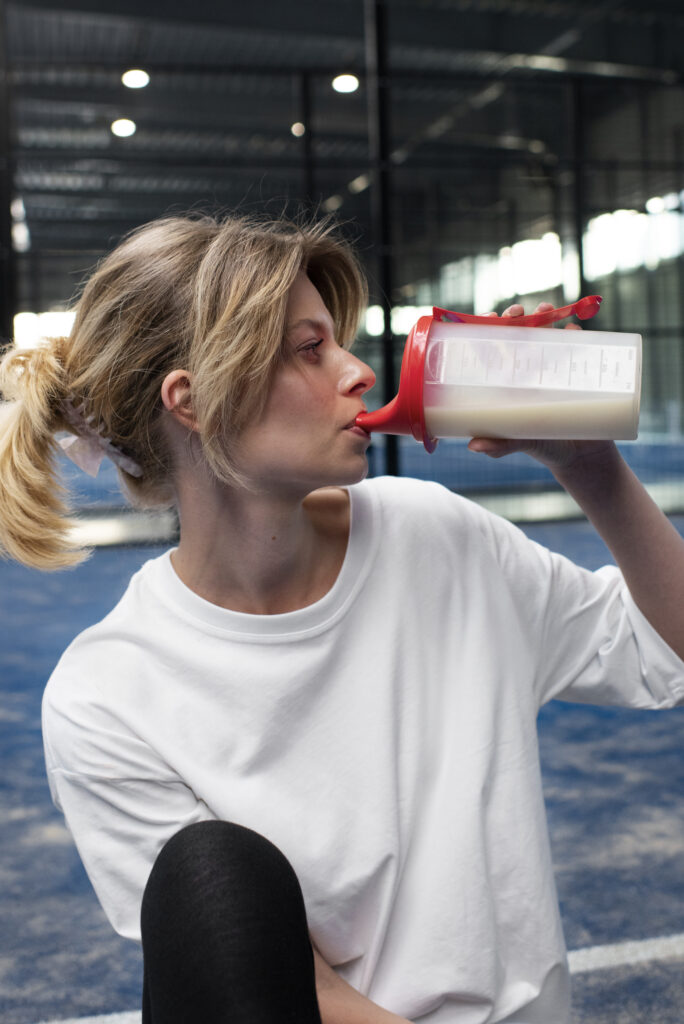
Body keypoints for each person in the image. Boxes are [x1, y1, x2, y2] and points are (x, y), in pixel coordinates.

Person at [0, 211, 682, 1024]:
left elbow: (661, 649)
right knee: (212, 873)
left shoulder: (436, 533)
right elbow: (297, 997)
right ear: (194, 400)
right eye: (309, 349)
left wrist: (590, 465)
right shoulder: (106, 698)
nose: (359, 372)